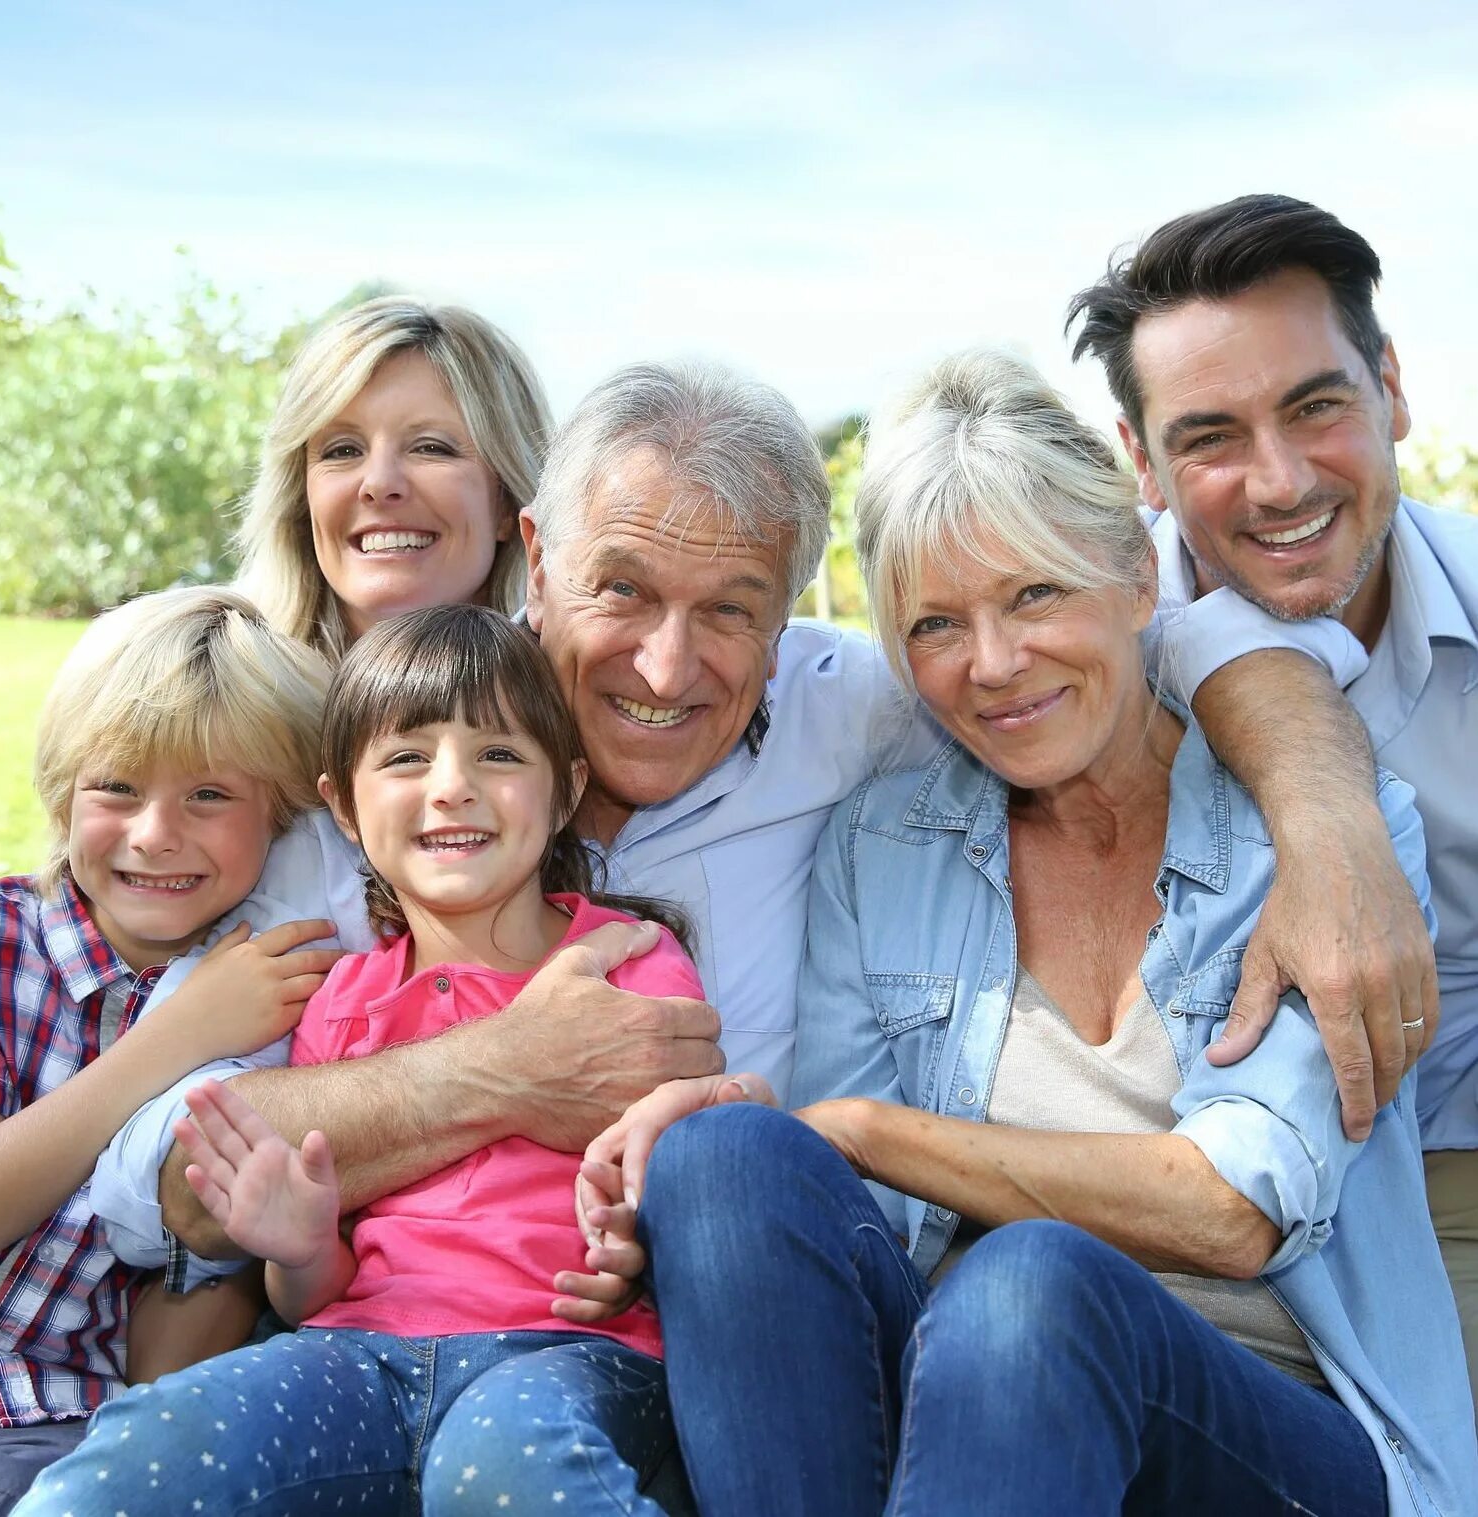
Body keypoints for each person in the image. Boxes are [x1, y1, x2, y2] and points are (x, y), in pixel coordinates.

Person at [93, 363, 1433, 1313]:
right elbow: (164, 1187)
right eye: (620, 588)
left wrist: (1322, 813)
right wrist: (495, 1072)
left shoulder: (859, 714)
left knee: (743, 1162)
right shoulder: (387, 793)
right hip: (407, 1341)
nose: (667, 668)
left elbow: (1123, 637)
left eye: (731, 608)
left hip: (741, 1335)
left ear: (793, 610)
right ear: (541, 553)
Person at [623, 352, 1477, 1515]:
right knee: (723, 1156)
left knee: (1031, 1280)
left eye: (1033, 595)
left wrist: (864, 1128)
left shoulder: (1319, 835)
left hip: (1276, 1429)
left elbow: (1233, 1210)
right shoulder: (885, 846)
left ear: (1135, 575)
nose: (991, 664)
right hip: (978, 1412)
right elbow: (853, 1227)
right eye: (935, 623)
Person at [19, 604, 706, 1517]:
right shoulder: (341, 998)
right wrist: (298, 1245)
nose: (452, 787)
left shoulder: (629, 958)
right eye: (406, 758)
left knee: (505, 1470)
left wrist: (637, 1230)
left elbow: (689, 1148)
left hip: (568, 1348)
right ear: (342, 802)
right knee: (147, 1447)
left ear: (566, 787)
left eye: (498, 755)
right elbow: (316, 1290)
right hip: (358, 1350)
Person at [1067, 192, 1478, 1404]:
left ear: (1390, 389)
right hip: (1155, 1209)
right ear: (1138, 465)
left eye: (1315, 407)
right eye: (1209, 438)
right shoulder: (1070, 663)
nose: (1280, 480)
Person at [0, 587, 343, 1516]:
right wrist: (176, 1037)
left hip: (64, 1422)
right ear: (62, 789)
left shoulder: (287, 993)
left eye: (209, 794)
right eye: (117, 786)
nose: (155, 832)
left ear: (286, 815)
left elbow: (211, 1288)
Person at [238, 295, 553, 661]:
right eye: (343, 450)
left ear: (506, 502)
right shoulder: (204, 706)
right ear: (301, 499)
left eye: (430, 448)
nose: (379, 484)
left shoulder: (585, 710)